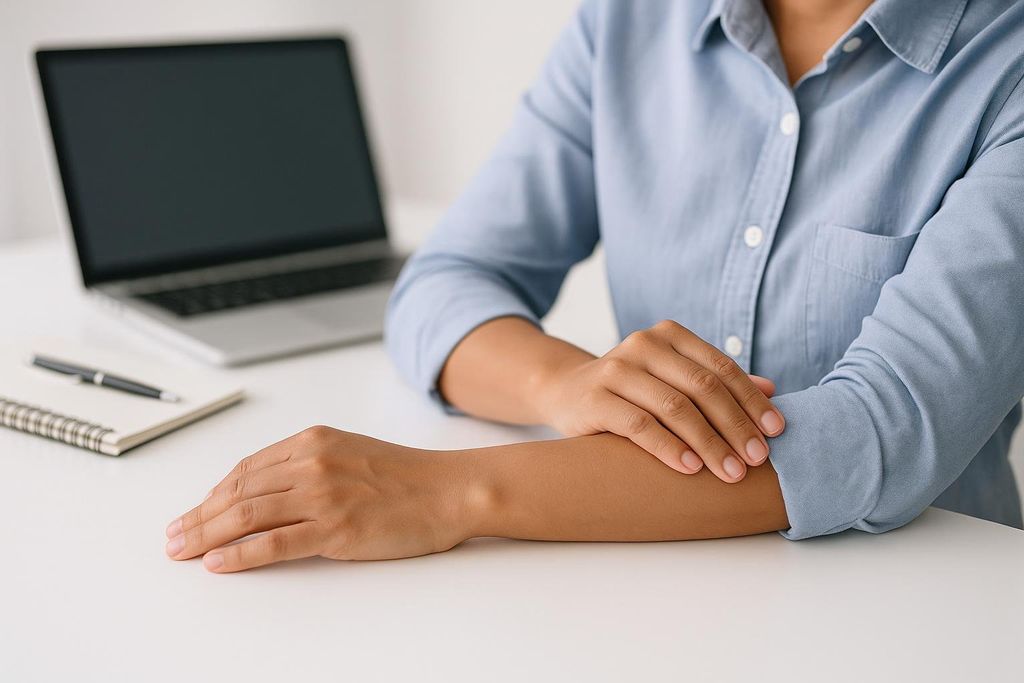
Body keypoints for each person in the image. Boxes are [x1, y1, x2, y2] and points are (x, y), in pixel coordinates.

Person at [165, 0, 1024, 573]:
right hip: (636, 582)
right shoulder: (629, 21)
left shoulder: (1007, 64)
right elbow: (445, 283)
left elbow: (884, 429)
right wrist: (565, 382)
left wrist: (449, 490)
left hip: (916, 601)